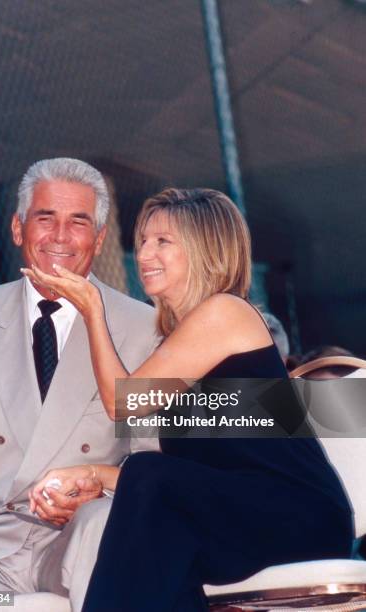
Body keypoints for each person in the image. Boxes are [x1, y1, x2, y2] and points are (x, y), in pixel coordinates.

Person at [24, 187, 353, 612]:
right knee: (162, 537)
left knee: (154, 508)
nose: (144, 254)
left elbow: (123, 406)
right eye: (142, 240)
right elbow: (187, 479)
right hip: (238, 514)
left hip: (296, 517)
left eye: (163, 241)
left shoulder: (226, 313)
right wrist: (88, 475)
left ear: (207, 249)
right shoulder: (175, 344)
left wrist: (92, 310)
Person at [0, 158, 158, 611]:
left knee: (104, 529)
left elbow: (157, 460)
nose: (60, 236)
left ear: (98, 239)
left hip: (85, 536)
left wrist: (97, 489)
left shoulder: (145, 328)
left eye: (78, 222)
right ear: (18, 228)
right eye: (45, 218)